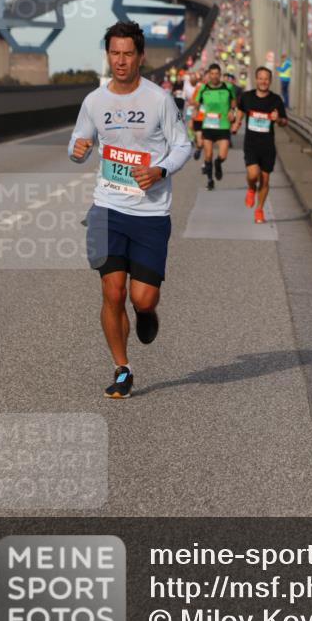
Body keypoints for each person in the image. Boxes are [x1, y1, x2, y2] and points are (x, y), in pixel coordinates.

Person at [68, 21, 191, 399]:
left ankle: (147, 313)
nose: (120, 61)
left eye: (127, 54)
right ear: (108, 55)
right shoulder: (95, 101)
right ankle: (122, 368)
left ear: (140, 56)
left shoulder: (159, 100)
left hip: (151, 213)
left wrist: (160, 169)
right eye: (114, 53)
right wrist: (78, 150)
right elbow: (79, 138)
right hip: (108, 208)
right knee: (112, 291)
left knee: (142, 298)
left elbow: (182, 146)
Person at [232, 66, 287, 224]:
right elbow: (241, 110)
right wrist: (237, 123)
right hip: (251, 144)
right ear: (256, 79)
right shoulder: (247, 97)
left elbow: (284, 122)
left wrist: (278, 119)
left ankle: (259, 209)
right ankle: (250, 188)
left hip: (268, 146)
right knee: (253, 175)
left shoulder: (276, 100)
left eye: (266, 79)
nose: (263, 81)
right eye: (261, 78)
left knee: (265, 180)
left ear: (270, 81)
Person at [192, 63, 236, 190]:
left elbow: (233, 100)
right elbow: (197, 101)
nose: (214, 76)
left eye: (217, 74)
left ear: (220, 75)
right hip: (208, 125)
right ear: (208, 75)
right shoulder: (203, 88)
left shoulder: (228, 87)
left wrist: (232, 111)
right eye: (212, 74)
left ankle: (218, 163)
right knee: (208, 155)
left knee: (222, 156)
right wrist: (196, 109)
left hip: (223, 125)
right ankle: (210, 180)